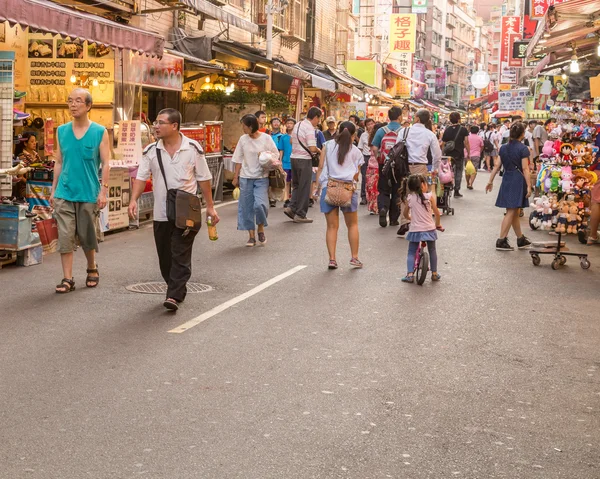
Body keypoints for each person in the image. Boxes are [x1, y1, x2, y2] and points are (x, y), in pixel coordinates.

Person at [129, 108, 218, 311]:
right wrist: (133, 200)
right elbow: (141, 178)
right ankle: (175, 287)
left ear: (174, 126)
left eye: (161, 123)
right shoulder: (151, 150)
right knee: (165, 257)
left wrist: (211, 207)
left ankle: (174, 295)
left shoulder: (193, 148)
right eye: (155, 123)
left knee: (180, 252)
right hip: (161, 212)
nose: (156, 126)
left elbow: (204, 178)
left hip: (186, 211)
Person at [50, 88, 110, 294]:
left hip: (88, 192)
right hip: (64, 192)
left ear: (88, 106)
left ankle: (92, 267)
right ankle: (67, 278)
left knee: (87, 235)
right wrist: (53, 189)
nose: (73, 104)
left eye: (77, 101)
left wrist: (103, 191)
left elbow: (106, 163)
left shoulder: (100, 132)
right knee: (65, 236)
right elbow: (59, 161)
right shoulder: (61, 131)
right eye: (69, 101)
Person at [315, 121, 364, 269]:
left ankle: (332, 259)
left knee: (331, 226)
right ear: (354, 135)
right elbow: (356, 175)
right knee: (352, 225)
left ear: (337, 131)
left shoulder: (327, 146)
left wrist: (317, 187)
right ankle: (354, 257)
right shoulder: (356, 151)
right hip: (348, 189)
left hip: (329, 186)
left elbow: (321, 167)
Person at [232, 114, 280, 246]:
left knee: (261, 205)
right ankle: (251, 235)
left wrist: (265, 156)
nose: (243, 128)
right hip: (245, 177)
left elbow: (275, 154)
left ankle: (260, 228)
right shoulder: (243, 139)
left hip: (261, 177)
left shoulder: (266, 138)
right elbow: (238, 159)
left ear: (251, 126)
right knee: (246, 207)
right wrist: (236, 177)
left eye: (244, 125)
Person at [485, 122, 532, 251]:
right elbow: (525, 169)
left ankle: (520, 238)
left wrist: (490, 180)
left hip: (507, 178)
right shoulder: (523, 149)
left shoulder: (503, 148)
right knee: (511, 211)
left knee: (514, 211)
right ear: (522, 134)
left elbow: (497, 166)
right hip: (517, 180)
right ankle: (501, 240)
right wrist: (529, 185)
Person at [396, 109, 442, 236]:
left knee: (406, 193)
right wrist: (434, 169)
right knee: (421, 195)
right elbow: (437, 154)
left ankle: (405, 221)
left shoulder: (404, 131)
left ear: (416, 118)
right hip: (421, 167)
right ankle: (421, 222)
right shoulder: (429, 134)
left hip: (405, 167)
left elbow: (396, 148)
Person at [399, 174, 443, 283]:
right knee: (432, 250)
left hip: (415, 230)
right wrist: (438, 225)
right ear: (423, 185)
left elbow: (405, 214)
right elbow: (437, 214)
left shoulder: (410, 198)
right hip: (429, 229)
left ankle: (410, 274)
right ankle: (434, 273)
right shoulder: (429, 197)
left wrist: (411, 218)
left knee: (411, 252)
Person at [285, 106, 322, 223]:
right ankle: (300, 214)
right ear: (315, 117)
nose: (319, 122)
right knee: (305, 187)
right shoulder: (309, 128)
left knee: (296, 185)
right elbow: (312, 147)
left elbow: (291, 141)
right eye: (319, 119)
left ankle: (291, 208)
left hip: (294, 158)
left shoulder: (298, 124)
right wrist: (319, 150)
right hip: (304, 160)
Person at [372, 106, 403, 227]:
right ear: (400, 116)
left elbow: (374, 148)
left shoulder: (381, 130)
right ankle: (394, 218)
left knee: (383, 190)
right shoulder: (403, 131)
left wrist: (380, 159)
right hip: (399, 167)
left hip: (384, 165)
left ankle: (383, 208)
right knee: (397, 191)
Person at [441, 112, 469, 198]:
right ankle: (456, 190)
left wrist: (442, 153)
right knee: (458, 172)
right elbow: (466, 142)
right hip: (459, 154)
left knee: (447, 171)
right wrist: (469, 153)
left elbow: (443, 143)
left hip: (448, 155)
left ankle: (446, 188)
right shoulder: (463, 129)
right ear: (459, 119)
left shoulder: (447, 129)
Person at [12, 132, 40, 199]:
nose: (34, 143)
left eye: (35, 141)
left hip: (37, 185)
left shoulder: (37, 155)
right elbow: (20, 177)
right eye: (32, 141)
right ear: (25, 143)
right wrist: (31, 185)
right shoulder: (21, 157)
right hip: (25, 187)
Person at [365, 123, 383, 215]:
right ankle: (377, 207)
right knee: (377, 188)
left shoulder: (372, 140)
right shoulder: (381, 140)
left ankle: (372, 207)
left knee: (370, 187)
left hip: (370, 166)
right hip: (378, 166)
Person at [357, 118, 375, 205]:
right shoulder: (363, 135)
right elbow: (360, 148)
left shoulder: (377, 134)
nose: (371, 126)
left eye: (372, 123)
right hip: (365, 157)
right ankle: (363, 197)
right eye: (368, 124)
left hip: (374, 157)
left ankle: (372, 196)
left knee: (374, 178)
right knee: (364, 177)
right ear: (366, 126)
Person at [269, 118, 284, 207]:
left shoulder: (281, 136)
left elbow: (282, 149)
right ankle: (268, 196)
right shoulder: (268, 135)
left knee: (275, 178)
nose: (276, 123)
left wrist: (280, 160)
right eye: (274, 122)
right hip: (268, 158)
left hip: (277, 158)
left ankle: (273, 198)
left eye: (278, 122)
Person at [281, 118, 295, 208]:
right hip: (285, 162)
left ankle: (293, 199)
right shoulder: (283, 137)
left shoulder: (297, 137)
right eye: (288, 123)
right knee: (286, 181)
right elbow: (281, 150)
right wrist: (279, 160)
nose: (289, 125)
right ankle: (286, 199)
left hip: (295, 161)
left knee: (294, 182)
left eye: (291, 123)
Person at [465, 125, 484, 190]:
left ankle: (467, 183)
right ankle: (471, 183)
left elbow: (464, 144)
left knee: (467, 170)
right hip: (476, 155)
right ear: (477, 131)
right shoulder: (479, 138)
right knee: (474, 170)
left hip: (467, 155)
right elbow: (482, 146)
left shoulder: (467, 137)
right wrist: (479, 152)